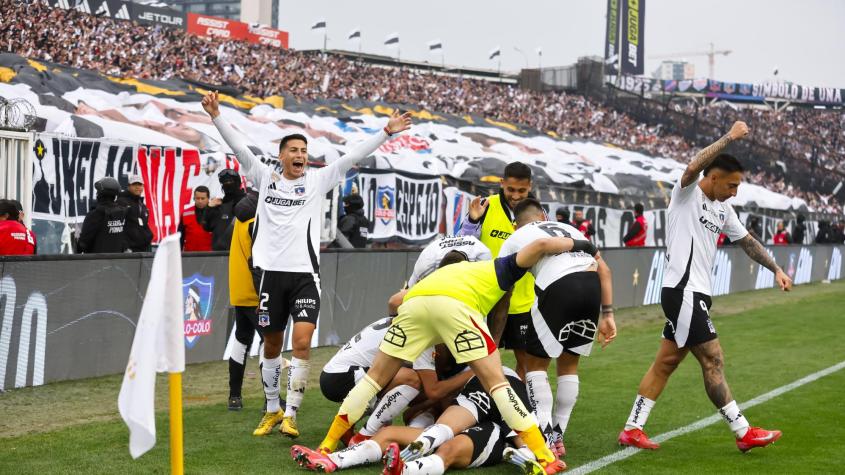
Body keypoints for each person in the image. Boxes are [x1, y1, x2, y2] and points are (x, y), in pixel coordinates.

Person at [203, 90, 412, 438]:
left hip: (305, 278)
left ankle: (291, 415)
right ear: (281, 156)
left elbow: (352, 157)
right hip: (270, 277)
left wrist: (386, 132)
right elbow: (239, 148)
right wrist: (216, 116)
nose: (300, 155)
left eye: (304, 150)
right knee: (271, 345)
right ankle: (272, 408)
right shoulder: (265, 178)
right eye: (294, 150)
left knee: (301, 342)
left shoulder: (317, 180)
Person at [311, 235, 597, 474]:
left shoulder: (429, 278)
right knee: (498, 384)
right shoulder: (492, 269)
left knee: (373, 379)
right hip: (456, 309)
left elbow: (394, 301)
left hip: (414, 306)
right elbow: (541, 245)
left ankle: (326, 446)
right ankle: (544, 456)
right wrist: (583, 245)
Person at [618, 121, 793, 453]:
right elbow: (692, 167)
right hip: (681, 291)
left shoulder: (723, 209)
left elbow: (747, 241)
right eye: (731, 185)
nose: (734, 192)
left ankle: (632, 429)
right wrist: (729, 137)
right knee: (713, 359)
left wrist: (776, 269)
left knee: (666, 363)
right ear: (712, 178)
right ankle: (743, 431)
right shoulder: (686, 194)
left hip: (696, 293)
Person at [500, 199, 617, 457]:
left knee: (535, 365)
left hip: (558, 286)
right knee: (569, 365)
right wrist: (608, 315)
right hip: (591, 286)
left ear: (515, 224)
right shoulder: (572, 229)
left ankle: (545, 438)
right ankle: (558, 434)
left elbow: (501, 284)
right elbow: (605, 271)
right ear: (544, 216)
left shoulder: (515, 237)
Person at [293, 367, 538, 474]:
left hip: (494, 430)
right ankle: (332, 460)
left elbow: (518, 428)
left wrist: (524, 451)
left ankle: (405, 469)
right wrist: (425, 408)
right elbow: (420, 411)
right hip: (458, 420)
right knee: (389, 434)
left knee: (448, 448)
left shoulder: (494, 376)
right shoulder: (459, 380)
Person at [458, 162, 536, 379]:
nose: (516, 196)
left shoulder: (537, 213)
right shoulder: (485, 206)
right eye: (511, 189)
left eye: (521, 190)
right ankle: (480, 397)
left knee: (527, 362)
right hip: (486, 298)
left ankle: (522, 398)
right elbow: (463, 242)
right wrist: (472, 220)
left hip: (523, 300)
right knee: (478, 358)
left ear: (530, 187)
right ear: (502, 183)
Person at [227, 188, 276, 410]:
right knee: (269, 341)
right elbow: (256, 263)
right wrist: (263, 296)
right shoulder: (256, 222)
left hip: (239, 291)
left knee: (241, 340)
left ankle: (234, 397)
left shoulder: (240, 219)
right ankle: (270, 400)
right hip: (255, 294)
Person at [77, 177, 128, 254]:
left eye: (98, 191)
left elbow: (83, 243)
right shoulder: (122, 212)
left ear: (100, 194)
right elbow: (124, 240)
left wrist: (77, 247)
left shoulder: (95, 214)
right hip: (118, 259)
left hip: (97, 259)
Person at [202, 169, 245, 251]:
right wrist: (209, 208)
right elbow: (207, 227)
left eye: (230, 181)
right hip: (220, 255)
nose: (228, 184)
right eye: (225, 182)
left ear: (237, 183)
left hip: (241, 253)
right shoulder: (219, 205)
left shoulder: (248, 202)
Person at [117, 174, 153, 252]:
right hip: (128, 250)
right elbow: (118, 226)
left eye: (140, 184)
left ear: (143, 187)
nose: (137, 187)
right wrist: (124, 247)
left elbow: (144, 226)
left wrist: (149, 237)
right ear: (128, 187)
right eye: (134, 184)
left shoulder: (142, 205)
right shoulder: (122, 202)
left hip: (142, 249)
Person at [178, 186, 213, 252]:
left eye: (203, 198)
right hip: (190, 255)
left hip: (210, 255)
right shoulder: (185, 213)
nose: (200, 201)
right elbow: (180, 237)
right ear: (194, 198)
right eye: (197, 198)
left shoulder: (214, 213)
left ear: (208, 198)